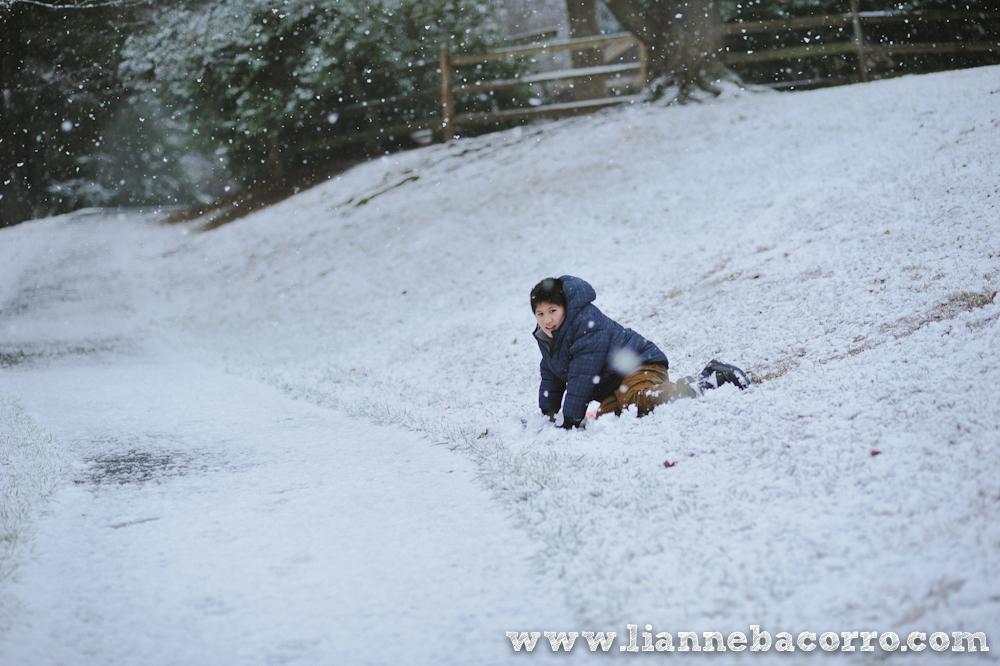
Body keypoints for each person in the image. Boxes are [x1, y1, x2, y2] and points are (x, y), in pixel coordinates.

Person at [531, 275, 749, 429]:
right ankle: (629, 399)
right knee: (609, 416)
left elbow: (582, 374)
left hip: (640, 365)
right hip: (615, 383)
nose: (547, 319)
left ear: (565, 308)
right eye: (540, 314)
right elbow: (551, 375)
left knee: (636, 401)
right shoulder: (549, 337)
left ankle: (707, 380)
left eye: (552, 311)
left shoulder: (585, 324)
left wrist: (569, 419)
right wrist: (548, 413)